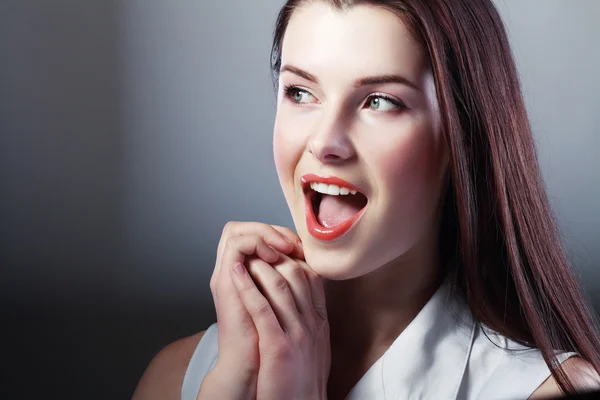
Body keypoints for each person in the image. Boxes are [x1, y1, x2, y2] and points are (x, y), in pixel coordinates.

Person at [132, 0, 600, 399]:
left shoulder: (546, 389)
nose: (326, 141)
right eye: (300, 92)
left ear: (465, 138)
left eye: (379, 101)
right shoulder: (178, 378)